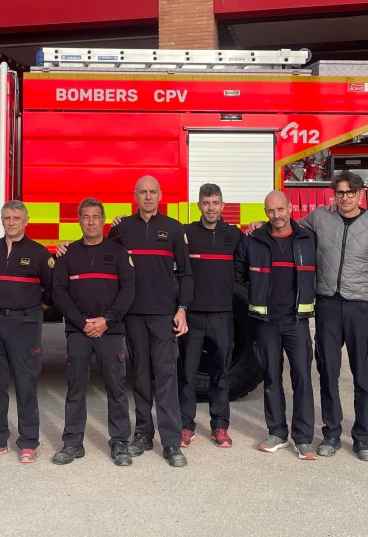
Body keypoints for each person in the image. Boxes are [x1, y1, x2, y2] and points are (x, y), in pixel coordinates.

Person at [252, 171, 368, 460]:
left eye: (350, 193)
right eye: (340, 192)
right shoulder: (319, 218)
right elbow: (285, 229)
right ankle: (332, 434)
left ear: (360, 194)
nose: (345, 198)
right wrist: (259, 225)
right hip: (327, 306)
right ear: (333, 195)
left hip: (361, 308)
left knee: (362, 375)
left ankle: (362, 439)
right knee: (328, 373)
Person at [109, 176, 193, 467]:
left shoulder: (172, 228)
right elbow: (103, 259)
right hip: (133, 315)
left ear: (160, 195)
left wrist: (182, 308)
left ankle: (171, 443)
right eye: (142, 192)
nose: (147, 197)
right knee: (141, 376)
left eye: (152, 192)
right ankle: (143, 434)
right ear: (135, 196)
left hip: (163, 315)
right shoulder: (121, 229)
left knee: (166, 377)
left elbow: (186, 273)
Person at [51, 198, 136, 466]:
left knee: (116, 387)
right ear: (79, 221)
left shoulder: (118, 252)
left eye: (96, 217)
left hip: (109, 331)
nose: (90, 222)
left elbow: (128, 289)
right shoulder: (68, 254)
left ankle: (120, 442)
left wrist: (107, 320)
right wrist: (81, 322)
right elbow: (59, 292)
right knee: (75, 386)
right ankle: (73, 443)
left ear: (103, 220)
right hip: (78, 331)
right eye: (86, 217)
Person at [236, 191, 318, 460]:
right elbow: (236, 274)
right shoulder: (254, 240)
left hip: (297, 321)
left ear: (290, 208)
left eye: (281, 209)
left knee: (302, 379)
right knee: (271, 379)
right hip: (267, 323)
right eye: (270, 211)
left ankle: (304, 438)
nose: (276, 216)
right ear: (265, 212)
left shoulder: (307, 238)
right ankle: (278, 433)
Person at [0, 200, 54, 464]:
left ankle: (29, 442)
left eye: (17, 218)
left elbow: (52, 288)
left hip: (25, 324)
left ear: (26, 221)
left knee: (25, 383)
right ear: (1, 220)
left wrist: (35, 307)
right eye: (7, 218)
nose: (12, 222)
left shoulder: (40, 253)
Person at [179, 183, 241, 449]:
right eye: (206, 203)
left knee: (220, 374)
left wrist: (260, 225)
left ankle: (220, 427)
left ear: (222, 205)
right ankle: (185, 426)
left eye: (215, 203)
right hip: (192, 316)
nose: (211, 208)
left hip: (223, 316)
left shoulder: (235, 235)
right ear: (199, 205)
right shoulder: (186, 233)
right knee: (187, 374)